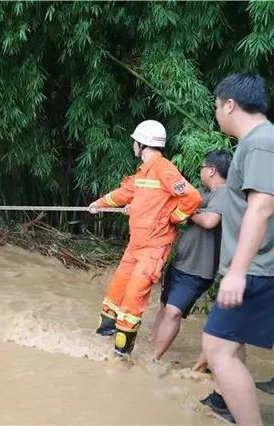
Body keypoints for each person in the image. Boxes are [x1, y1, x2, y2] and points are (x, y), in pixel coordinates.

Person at [88, 119, 202, 356]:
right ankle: (102, 339)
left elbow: (192, 197)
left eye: (134, 142)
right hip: (136, 244)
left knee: (133, 299)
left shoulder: (164, 168)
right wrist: (98, 204)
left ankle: (121, 356)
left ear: (142, 144)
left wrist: (173, 217)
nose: (133, 146)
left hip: (154, 247)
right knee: (117, 290)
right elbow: (124, 193)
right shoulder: (143, 172)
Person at [200, 74, 274, 425]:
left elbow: (263, 206)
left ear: (230, 104)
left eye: (217, 106)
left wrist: (238, 271)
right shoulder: (257, 141)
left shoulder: (261, 142)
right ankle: (230, 405)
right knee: (227, 343)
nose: (216, 113)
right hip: (256, 266)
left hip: (257, 268)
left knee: (217, 348)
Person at [151, 150, 232, 362]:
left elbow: (210, 221)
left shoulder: (224, 193)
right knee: (164, 306)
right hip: (181, 263)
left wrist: (185, 213)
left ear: (212, 170)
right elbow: (180, 202)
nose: (201, 172)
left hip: (198, 269)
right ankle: (150, 350)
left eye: (202, 168)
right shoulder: (205, 194)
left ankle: (154, 360)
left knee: (173, 312)